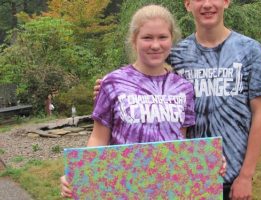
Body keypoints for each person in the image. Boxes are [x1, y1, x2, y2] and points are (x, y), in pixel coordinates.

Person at [94, 0, 261, 199]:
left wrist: (246, 175)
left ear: (226, 2)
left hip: (232, 176)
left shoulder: (250, 51)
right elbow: (147, 72)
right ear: (187, 4)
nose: (207, 4)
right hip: (184, 179)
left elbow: (260, 114)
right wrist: (110, 89)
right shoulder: (177, 54)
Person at [61, 4, 226, 198]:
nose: (155, 45)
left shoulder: (184, 88)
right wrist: (81, 173)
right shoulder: (113, 83)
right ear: (134, 40)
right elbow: (98, 138)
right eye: (147, 37)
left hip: (170, 189)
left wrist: (209, 161)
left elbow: (180, 141)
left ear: (171, 39)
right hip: (123, 188)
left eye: (162, 37)